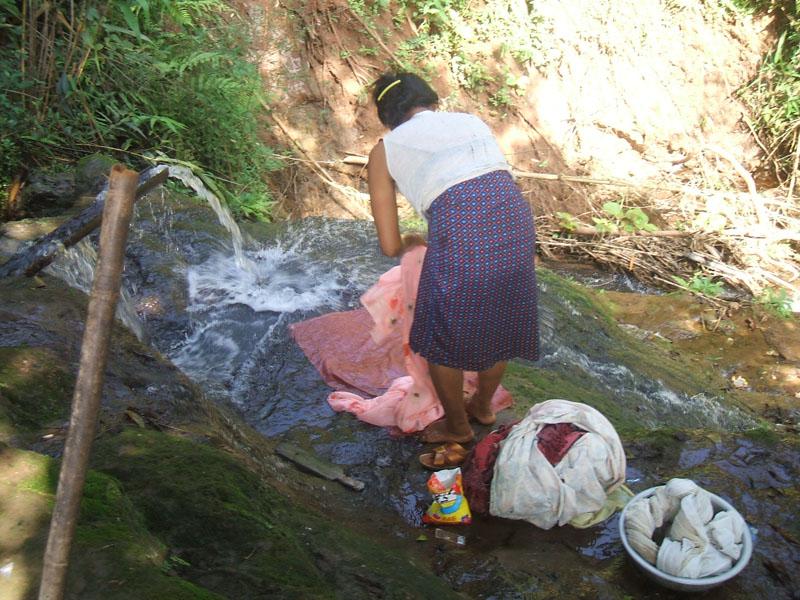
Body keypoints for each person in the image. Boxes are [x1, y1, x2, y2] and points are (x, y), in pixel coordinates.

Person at [367, 71, 539, 444]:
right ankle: (482, 406)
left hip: (463, 230)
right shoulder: (469, 121)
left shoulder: (385, 149)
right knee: (499, 319)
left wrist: (409, 243)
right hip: (515, 219)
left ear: (388, 115)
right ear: (431, 101)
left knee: (440, 335)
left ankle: (457, 428)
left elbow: (388, 244)